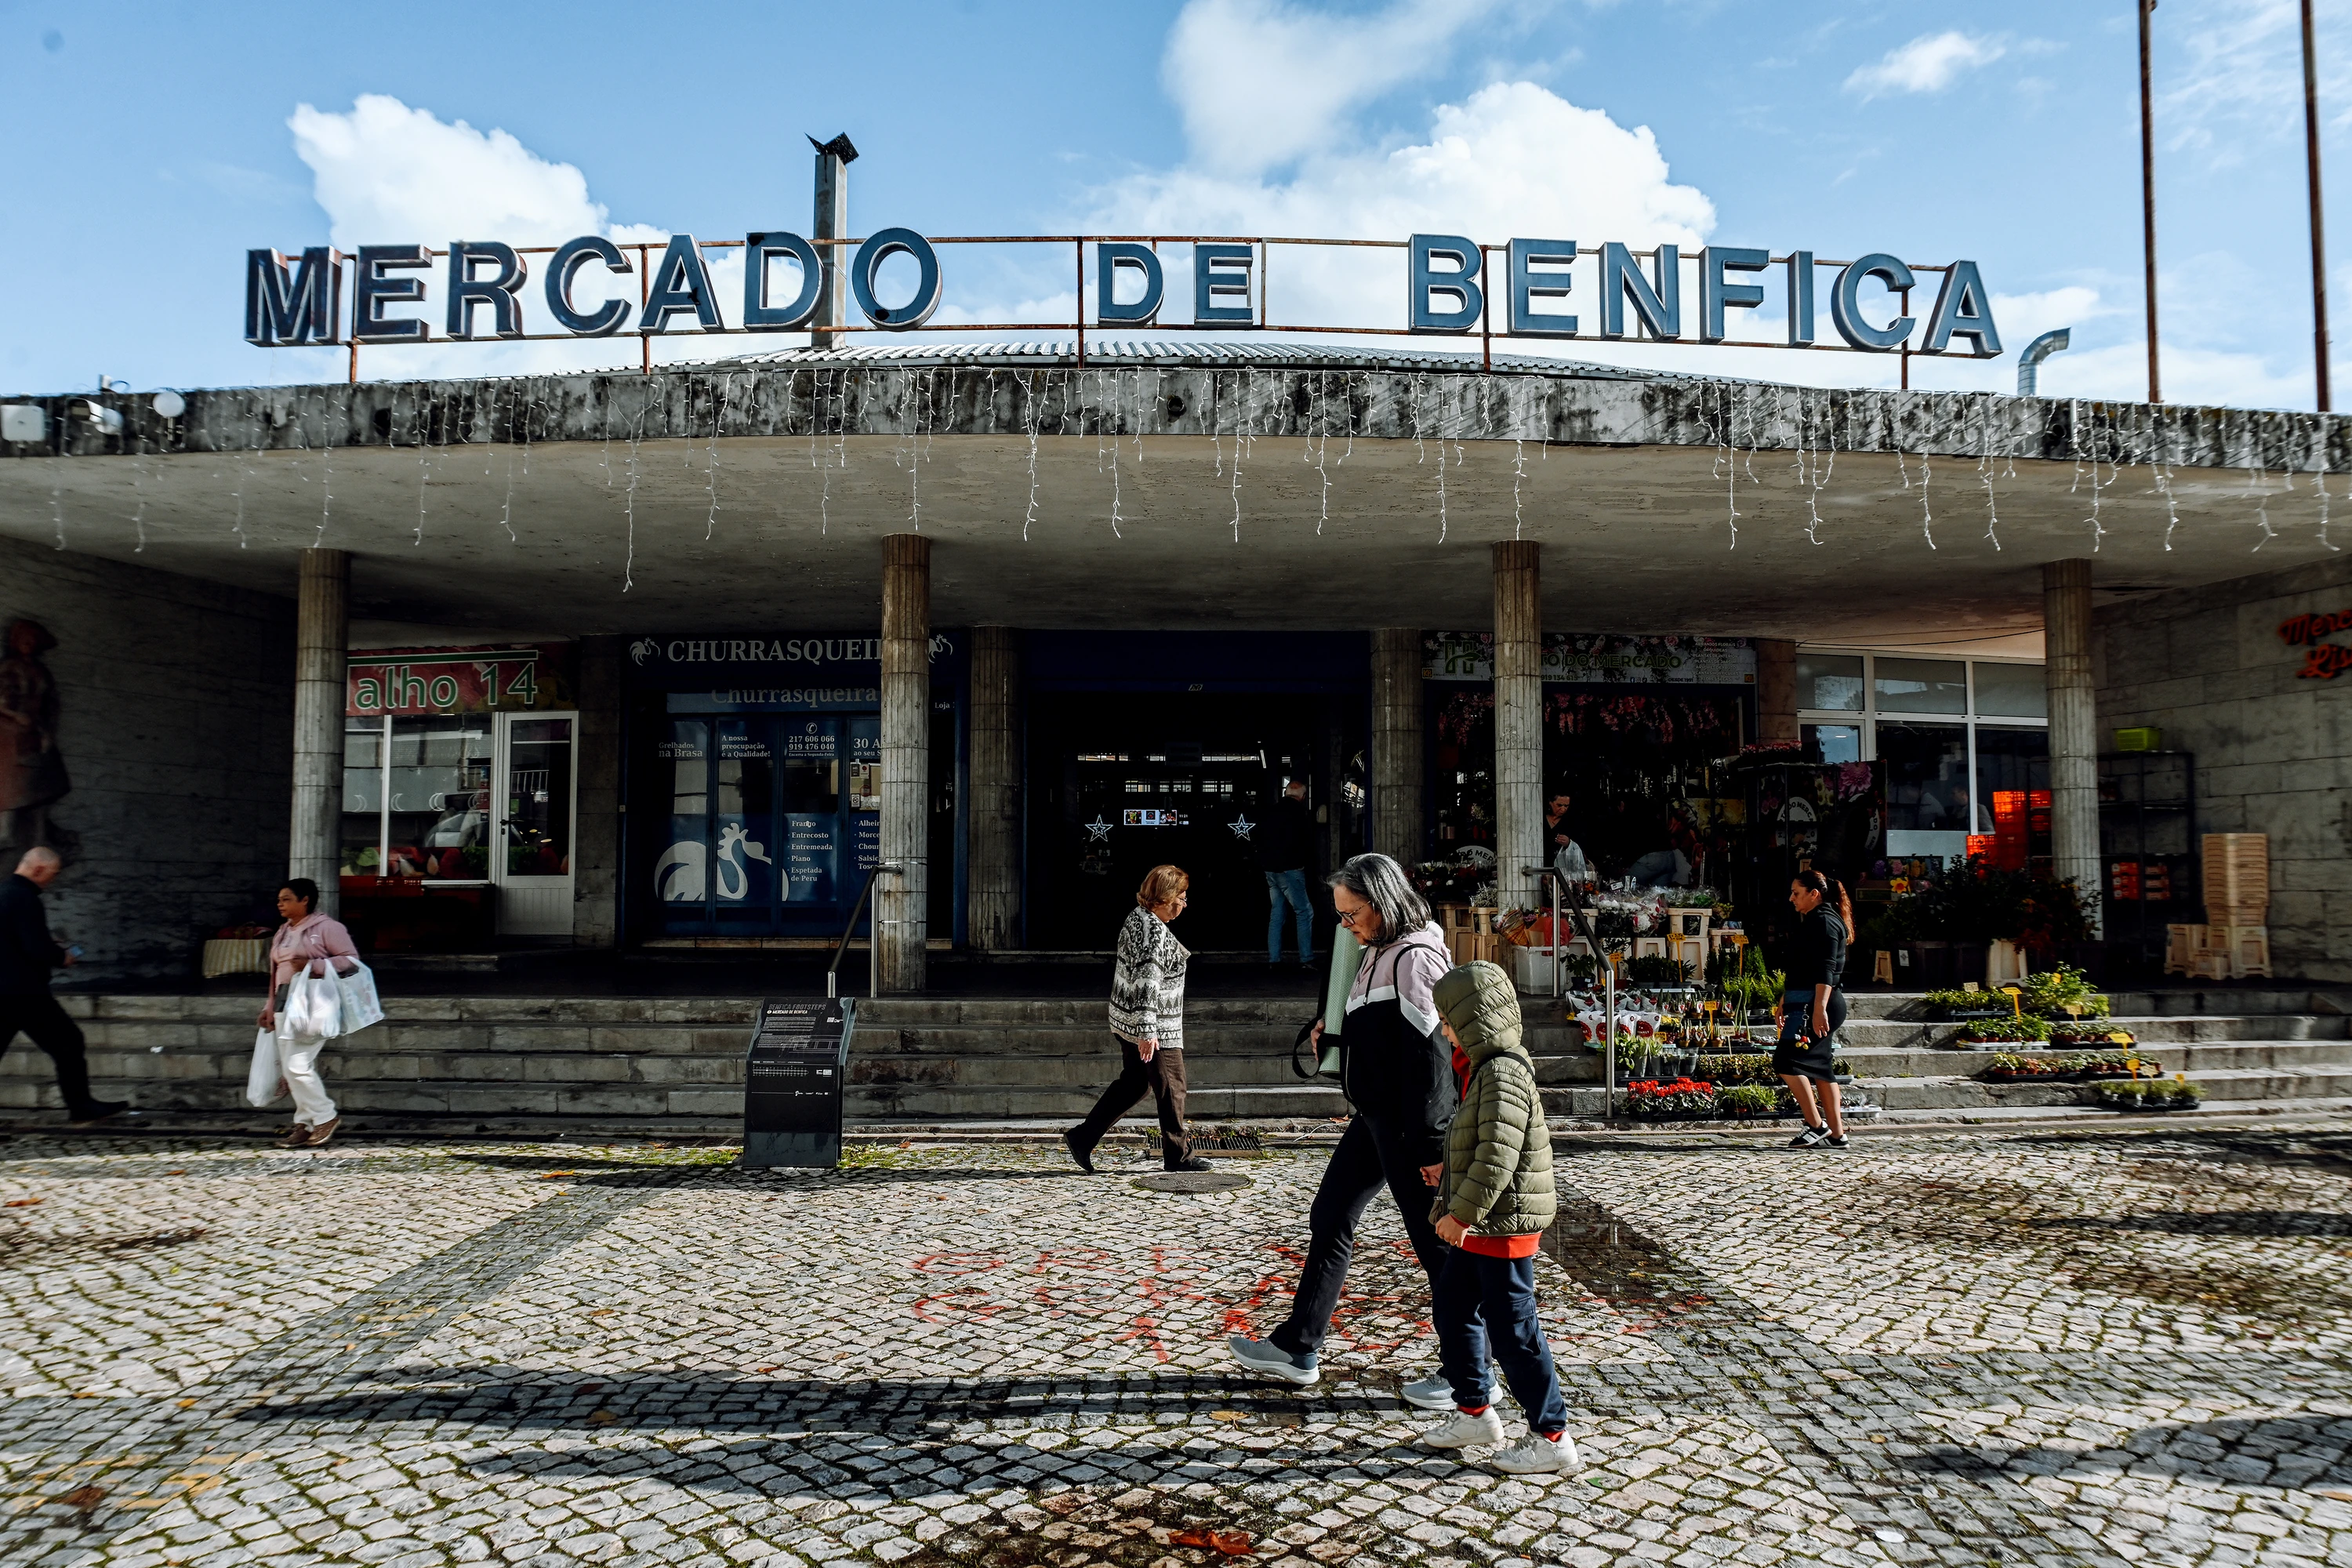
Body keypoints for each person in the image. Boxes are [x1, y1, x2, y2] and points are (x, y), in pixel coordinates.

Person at [1228, 852, 1457, 1405]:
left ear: (1382, 904)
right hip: (1376, 1113)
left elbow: (1432, 1060)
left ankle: (1467, 1373)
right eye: (1341, 914)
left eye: (1351, 913)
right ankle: (1298, 1345)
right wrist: (1331, 1027)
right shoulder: (1378, 948)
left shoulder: (1414, 959)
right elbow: (1379, 1024)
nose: (1344, 924)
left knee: (1437, 1244)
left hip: (1407, 1123)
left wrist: (1432, 1145)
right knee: (1330, 1215)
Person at [1419, 959, 1580, 1475]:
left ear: (1474, 1020)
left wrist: (1461, 1214)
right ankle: (1473, 1411)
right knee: (1453, 1304)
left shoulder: (1503, 1071)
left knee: (1514, 1332)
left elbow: (1499, 1154)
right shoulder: (1483, 1069)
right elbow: (1480, 1144)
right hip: (1485, 1223)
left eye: (1449, 1019)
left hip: (1501, 1225)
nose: (1444, 1029)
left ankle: (1552, 1436)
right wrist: (1450, 1176)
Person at [1065, 864, 1211, 1174]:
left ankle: (1083, 1137)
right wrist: (1147, 1030)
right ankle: (1178, 1156)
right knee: (1173, 1087)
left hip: (1126, 1019)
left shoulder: (1137, 917)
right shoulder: (1154, 931)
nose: (1184, 904)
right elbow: (1147, 981)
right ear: (1165, 897)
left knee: (1134, 1084)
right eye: (1181, 898)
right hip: (1154, 1025)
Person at [0, 848, 126, 1124]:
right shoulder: (25, 898)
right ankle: (81, 1107)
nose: (52, 881)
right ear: (38, 870)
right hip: (24, 992)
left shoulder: (5, 892)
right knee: (69, 1042)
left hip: (5, 989)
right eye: (53, 874)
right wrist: (62, 956)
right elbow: (34, 947)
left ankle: (82, 1106)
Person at [260, 877, 360, 1149]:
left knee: (296, 1065)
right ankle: (305, 1124)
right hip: (284, 1002)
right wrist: (269, 1007)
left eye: (287, 899)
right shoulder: (283, 931)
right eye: (279, 899)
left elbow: (351, 961)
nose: (280, 903)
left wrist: (314, 964)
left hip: (313, 1004)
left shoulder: (327, 927)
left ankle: (326, 1116)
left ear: (305, 900)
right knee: (293, 1070)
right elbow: (277, 974)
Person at [1778, 868, 1853, 1151]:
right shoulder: (1817, 920)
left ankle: (1816, 1125)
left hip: (1816, 1004)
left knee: (1786, 1062)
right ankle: (1837, 1135)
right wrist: (1785, 1000)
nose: (1791, 898)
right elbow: (1803, 967)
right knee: (1821, 1068)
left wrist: (1819, 1008)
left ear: (1814, 894)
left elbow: (1827, 969)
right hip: (1808, 1001)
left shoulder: (1824, 922)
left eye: (1796, 893)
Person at [1258, 779, 1316, 971]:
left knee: (1277, 913)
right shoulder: (1299, 812)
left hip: (1270, 870)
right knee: (1304, 912)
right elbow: (1306, 843)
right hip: (1291, 869)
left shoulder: (1271, 811)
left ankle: (1274, 960)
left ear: (1285, 793)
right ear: (1303, 796)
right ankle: (1306, 959)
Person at [1544, 793, 1589, 890]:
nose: (1563, 809)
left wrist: (1569, 843)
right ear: (1550, 803)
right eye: (1559, 805)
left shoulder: (1572, 821)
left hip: (1563, 868)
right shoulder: (1540, 817)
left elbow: (1581, 844)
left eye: (1566, 806)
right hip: (1542, 865)